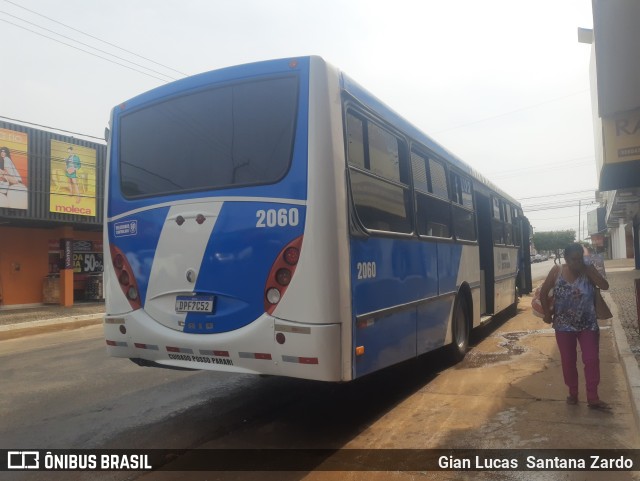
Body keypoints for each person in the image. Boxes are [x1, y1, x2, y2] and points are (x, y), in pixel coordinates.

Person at [539, 242, 610, 410]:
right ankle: (573, 392)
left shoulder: (588, 269)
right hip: (563, 326)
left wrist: (589, 270)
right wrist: (547, 314)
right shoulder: (557, 271)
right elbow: (543, 292)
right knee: (568, 362)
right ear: (566, 259)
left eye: (580, 259)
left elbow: (605, 286)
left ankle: (593, 396)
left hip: (588, 324)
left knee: (592, 360)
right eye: (573, 260)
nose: (577, 263)